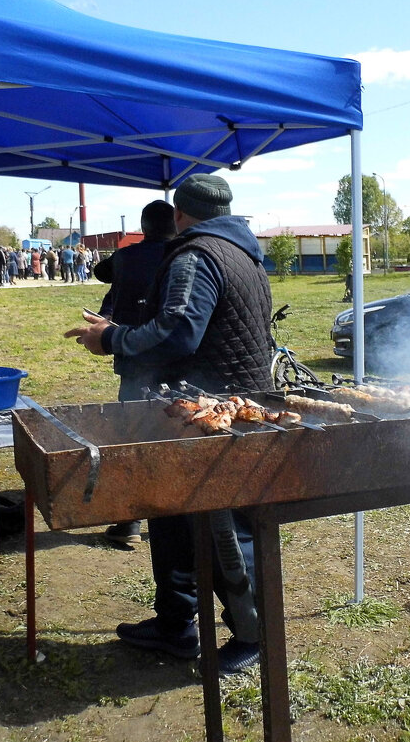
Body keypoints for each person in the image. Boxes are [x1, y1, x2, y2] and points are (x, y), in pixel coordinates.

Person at [66, 174, 272, 675]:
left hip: (215, 414)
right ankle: (176, 624)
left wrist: (111, 339)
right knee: (171, 517)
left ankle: (254, 636)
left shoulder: (197, 255)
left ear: (180, 213)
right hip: (195, 409)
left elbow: (179, 332)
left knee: (224, 529)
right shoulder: (245, 253)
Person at [93, 199, 176, 545]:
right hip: (178, 361)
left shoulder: (127, 257)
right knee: (175, 437)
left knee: (133, 438)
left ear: (144, 227)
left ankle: (130, 522)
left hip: (135, 362)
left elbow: (100, 272)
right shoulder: (184, 255)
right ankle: (172, 512)